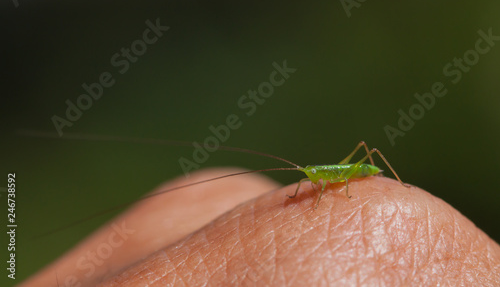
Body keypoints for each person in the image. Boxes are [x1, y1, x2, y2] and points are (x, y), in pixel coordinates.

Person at [21, 169, 500, 286]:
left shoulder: (337, 177)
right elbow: (309, 190)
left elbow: (337, 189)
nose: (310, 179)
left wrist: (350, 186)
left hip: (354, 172)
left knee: (356, 175)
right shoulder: (311, 179)